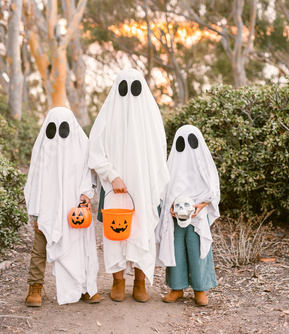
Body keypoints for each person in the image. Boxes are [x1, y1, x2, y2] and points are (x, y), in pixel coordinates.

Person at [88, 68, 170, 302]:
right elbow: (95, 150)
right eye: (124, 89)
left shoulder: (151, 117)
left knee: (143, 230)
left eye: (135, 89)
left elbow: (158, 155)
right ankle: (118, 280)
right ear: (116, 89)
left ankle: (140, 282)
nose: (129, 96)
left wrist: (149, 183)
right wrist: (112, 175)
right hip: (114, 187)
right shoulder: (107, 116)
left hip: (143, 187)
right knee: (115, 232)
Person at [24, 107, 99, 306]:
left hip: (74, 209)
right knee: (39, 248)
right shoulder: (43, 150)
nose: (57, 134)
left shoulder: (82, 146)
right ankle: (35, 286)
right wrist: (35, 213)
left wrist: (86, 194)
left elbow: (89, 174)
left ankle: (85, 286)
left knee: (81, 247)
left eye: (63, 128)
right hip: (46, 208)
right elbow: (34, 181)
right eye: (52, 128)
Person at [156, 125, 220, 306]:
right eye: (181, 142)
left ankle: (200, 289)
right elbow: (164, 190)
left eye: (191, 141)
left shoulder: (204, 165)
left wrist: (201, 205)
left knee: (198, 249)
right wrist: (169, 206)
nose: (186, 147)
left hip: (198, 216)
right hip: (175, 217)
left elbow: (213, 191)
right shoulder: (172, 166)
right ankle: (177, 288)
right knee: (176, 250)